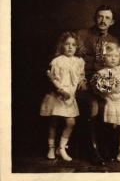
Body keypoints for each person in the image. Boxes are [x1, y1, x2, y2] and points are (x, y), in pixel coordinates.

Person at [77, 5, 119, 165]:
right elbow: (72, 59)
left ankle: (105, 148)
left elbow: (118, 58)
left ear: (112, 21)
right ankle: (91, 149)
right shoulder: (82, 35)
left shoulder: (113, 40)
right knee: (93, 106)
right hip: (84, 82)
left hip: (102, 82)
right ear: (95, 18)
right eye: (100, 17)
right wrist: (80, 78)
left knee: (111, 105)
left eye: (107, 18)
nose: (103, 20)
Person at [40, 32, 86, 161]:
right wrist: (60, 90)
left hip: (70, 97)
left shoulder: (79, 61)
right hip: (57, 95)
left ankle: (61, 148)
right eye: (67, 44)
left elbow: (81, 75)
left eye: (73, 45)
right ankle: (51, 147)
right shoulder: (57, 61)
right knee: (54, 122)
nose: (70, 47)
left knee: (70, 122)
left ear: (77, 47)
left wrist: (82, 81)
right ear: (62, 46)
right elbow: (52, 78)